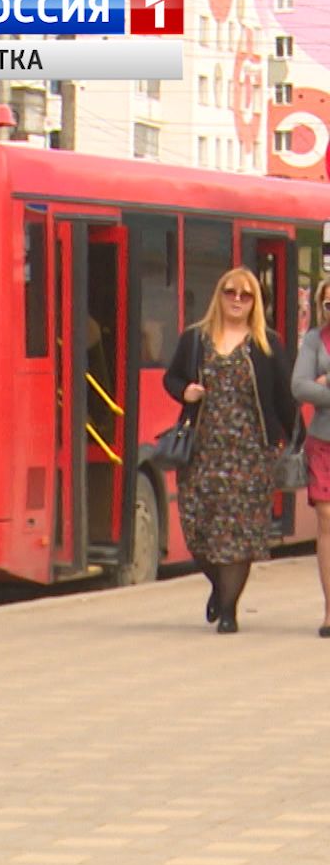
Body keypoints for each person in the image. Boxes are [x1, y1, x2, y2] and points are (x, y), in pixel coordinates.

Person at [164, 266, 296, 635]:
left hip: (251, 453)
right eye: (230, 292)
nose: (237, 300)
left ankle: (228, 611)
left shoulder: (267, 344)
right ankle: (219, 586)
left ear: (255, 303)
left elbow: (284, 396)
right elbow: (171, 377)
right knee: (197, 527)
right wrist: (185, 392)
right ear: (219, 296)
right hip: (202, 450)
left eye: (245, 295)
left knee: (238, 534)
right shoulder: (195, 338)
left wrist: (294, 440)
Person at [289, 278, 330, 637]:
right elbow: (299, 385)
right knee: (326, 520)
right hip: (324, 442)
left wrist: (325, 381)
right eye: (329, 305)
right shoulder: (315, 340)